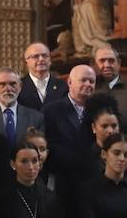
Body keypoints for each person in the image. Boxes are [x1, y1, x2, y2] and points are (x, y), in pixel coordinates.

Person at [42, 65, 99, 197]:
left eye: (92, 81)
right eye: (83, 80)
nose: (88, 84)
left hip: (93, 177)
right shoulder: (51, 110)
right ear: (69, 82)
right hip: (62, 180)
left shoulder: (99, 109)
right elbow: (47, 143)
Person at [0, 67, 44, 148]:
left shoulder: (36, 118)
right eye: (2, 84)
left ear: (20, 87)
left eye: (13, 84)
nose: (8, 89)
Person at [93, 43, 127, 125]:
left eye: (111, 60)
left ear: (119, 63)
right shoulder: (89, 90)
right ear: (94, 64)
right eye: (102, 61)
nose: (107, 65)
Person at [19, 42, 66, 110]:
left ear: (50, 60)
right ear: (26, 62)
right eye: (35, 56)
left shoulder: (62, 86)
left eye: (44, 56)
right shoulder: (19, 86)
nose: (41, 59)